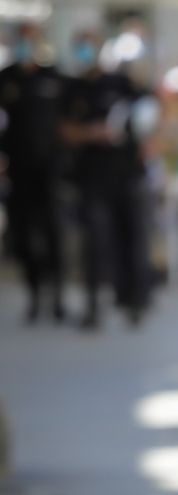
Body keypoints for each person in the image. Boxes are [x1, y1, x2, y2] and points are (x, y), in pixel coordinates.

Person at [61, 32, 155, 329]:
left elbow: (152, 116)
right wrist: (92, 134)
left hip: (128, 176)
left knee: (133, 239)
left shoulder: (121, 84)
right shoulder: (72, 88)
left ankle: (134, 301)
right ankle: (93, 303)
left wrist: (147, 143)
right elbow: (63, 129)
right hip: (92, 178)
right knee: (96, 243)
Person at [0, 24, 70, 324]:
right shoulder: (7, 78)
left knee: (54, 233)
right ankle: (34, 294)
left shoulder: (54, 78)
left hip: (51, 172)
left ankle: (57, 295)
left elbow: (68, 123)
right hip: (19, 171)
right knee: (24, 235)